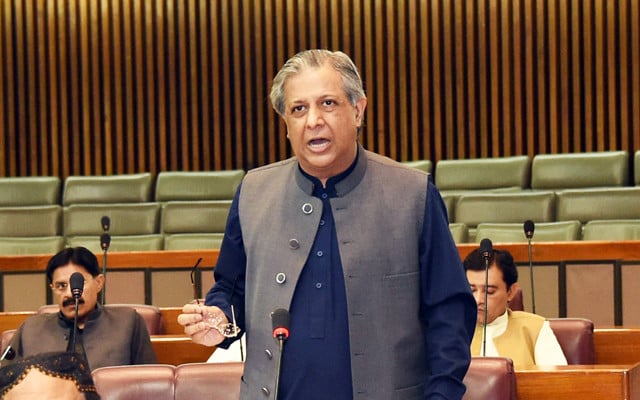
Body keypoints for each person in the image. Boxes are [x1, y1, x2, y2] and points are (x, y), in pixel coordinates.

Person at [177, 49, 476, 399]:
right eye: (298, 109)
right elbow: (233, 290)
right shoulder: (253, 193)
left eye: (328, 103)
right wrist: (219, 322)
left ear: (358, 110)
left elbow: (450, 314)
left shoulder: (413, 195)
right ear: (286, 123)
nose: (313, 120)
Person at [5, 246, 156, 370]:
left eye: (78, 283)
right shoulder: (31, 329)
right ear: (52, 288)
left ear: (99, 283)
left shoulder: (128, 324)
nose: (71, 293)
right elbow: (5, 382)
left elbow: (149, 383)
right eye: (61, 286)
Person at [463, 247, 568, 369]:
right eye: (471, 290)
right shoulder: (449, 329)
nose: (478, 300)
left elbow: (559, 381)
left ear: (511, 292)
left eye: (489, 291)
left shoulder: (535, 329)